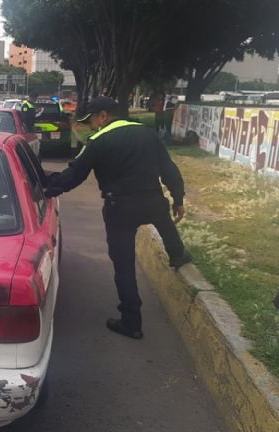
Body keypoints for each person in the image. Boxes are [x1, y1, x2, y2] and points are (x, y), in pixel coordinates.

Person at [44, 96, 192, 340]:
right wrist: (178, 199)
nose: (91, 126)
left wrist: (48, 189)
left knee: (124, 266)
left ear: (103, 116)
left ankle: (131, 322)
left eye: (91, 120)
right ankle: (178, 255)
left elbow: (74, 176)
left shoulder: (98, 141)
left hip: (119, 207)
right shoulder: (147, 133)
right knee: (165, 224)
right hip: (153, 200)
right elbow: (168, 169)